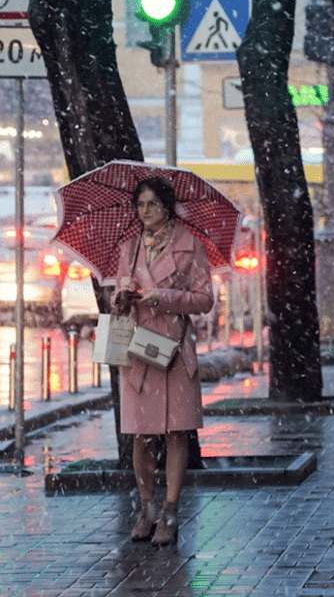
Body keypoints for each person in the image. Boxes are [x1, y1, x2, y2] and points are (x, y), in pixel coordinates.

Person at [113, 176, 214, 546]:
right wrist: (121, 298)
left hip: (173, 349)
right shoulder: (130, 248)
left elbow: (205, 300)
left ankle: (170, 512)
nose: (145, 212)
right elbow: (120, 289)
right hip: (139, 351)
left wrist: (165, 297)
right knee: (141, 437)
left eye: (152, 204)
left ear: (168, 206)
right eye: (140, 205)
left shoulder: (190, 247)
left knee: (175, 433)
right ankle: (146, 508)